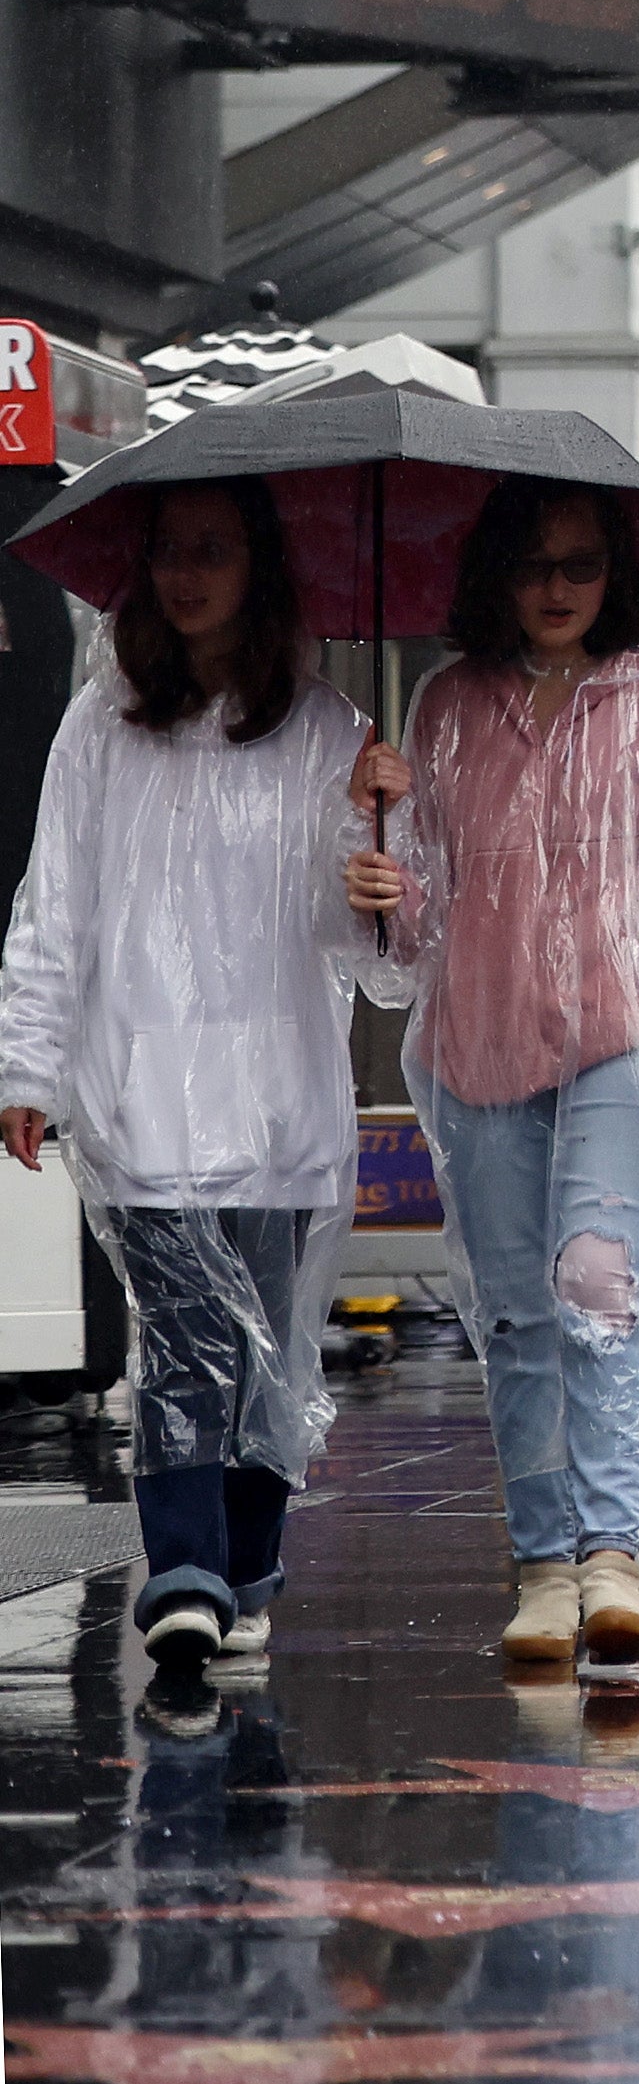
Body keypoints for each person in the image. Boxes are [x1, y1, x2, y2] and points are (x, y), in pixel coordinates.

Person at [344, 479, 639, 1673]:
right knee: (514, 1312)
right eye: (534, 566)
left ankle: (614, 1551)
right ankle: (544, 1564)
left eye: (580, 566)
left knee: (597, 1278)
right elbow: (415, 939)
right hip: (480, 1042)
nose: (557, 589)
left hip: (625, 1036)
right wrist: (377, 860)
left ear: (615, 575)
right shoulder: (448, 705)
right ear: (495, 578)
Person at [0, 480, 372, 1683]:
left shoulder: (327, 730)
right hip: (144, 1086)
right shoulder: (102, 728)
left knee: (265, 1356)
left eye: (211, 550)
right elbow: (54, 905)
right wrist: (28, 1062)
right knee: (181, 1341)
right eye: (168, 552)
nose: (185, 574)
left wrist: (383, 850)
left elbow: (365, 948)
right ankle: (187, 1571)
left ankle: (244, 1566)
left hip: (274, 1095)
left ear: (256, 567)